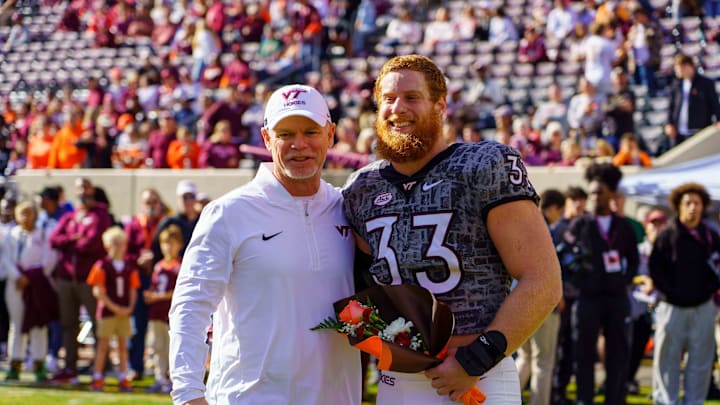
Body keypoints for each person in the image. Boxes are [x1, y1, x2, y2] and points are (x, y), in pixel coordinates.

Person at [342, 54, 562, 404]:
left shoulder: (484, 164)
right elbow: (359, 287)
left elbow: (543, 280)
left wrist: (476, 359)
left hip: (479, 375)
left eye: (411, 97)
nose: (398, 108)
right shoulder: (361, 188)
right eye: (388, 99)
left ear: (440, 105)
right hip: (398, 379)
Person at [169, 84, 361, 404]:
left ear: (330, 134)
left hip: (337, 396)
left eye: (310, 131)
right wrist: (188, 393)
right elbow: (191, 307)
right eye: (285, 133)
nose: (299, 145)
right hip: (249, 397)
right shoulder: (228, 212)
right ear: (267, 138)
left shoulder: (348, 208)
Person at [562, 163, 639, 405]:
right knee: (583, 353)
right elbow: (564, 257)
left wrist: (623, 282)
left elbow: (634, 260)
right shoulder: (580, 224)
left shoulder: (624, 226)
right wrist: (581, 281)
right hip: (587, 298)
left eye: (599, 192)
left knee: (617, 353)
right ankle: (585, 400)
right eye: (592, 192)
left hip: (616, 299)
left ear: (611, 194)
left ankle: (614, 399)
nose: (594, 197)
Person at [648, 182, 720, 405]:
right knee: (666, 361)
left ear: (703, 206)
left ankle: (694, 401)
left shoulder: (710, 236)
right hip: (672, 308)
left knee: (700, 362)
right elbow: (655, 269)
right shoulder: (667, 235)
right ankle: (666, 401)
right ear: (678, 206)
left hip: (702, 307)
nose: (692, 207)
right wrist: (670, 293)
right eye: (688, 203)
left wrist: (707, 292)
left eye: (697, 203)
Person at [49, 178, 113, 384]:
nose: (82, 192)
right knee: (69, 325)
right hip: (67, 278)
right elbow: (54, 240)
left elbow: (92, 244)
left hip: (89, 280)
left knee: (97, 323)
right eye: (79, 189)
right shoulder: (70, 216)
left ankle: (101, 367)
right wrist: (73, 239)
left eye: (86, 188)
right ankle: (70, 367)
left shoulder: (100, 215)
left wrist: (70, 242)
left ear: (92, 190)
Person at [516, 189, 565, 405]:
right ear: (554, 208)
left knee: (525, 357)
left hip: (516, 302)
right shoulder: (545, 230)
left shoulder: (520, 224)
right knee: (543, 361)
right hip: (540, 302)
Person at [4, 201, 58, 382]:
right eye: (22, 214)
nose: (26, 217)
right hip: (17, 285)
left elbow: (48, 259)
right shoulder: (12, 235)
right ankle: (15, 364)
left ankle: (39, 365)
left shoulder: (43, 235)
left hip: (37, 285)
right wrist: (17, 276)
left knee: (38, 325)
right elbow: (6, 260)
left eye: (29, 213)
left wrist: (31, 277)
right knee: (17, 325)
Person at [86, 227, 140, 392]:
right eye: (115, 243)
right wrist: (114, 307)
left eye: (122, 243)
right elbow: (97, 291)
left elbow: (133, 288)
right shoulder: (102, 265)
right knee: (103, 345)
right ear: (107, 245)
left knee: (123, 346)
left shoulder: (129, 266)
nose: (119, 247)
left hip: (123, 311)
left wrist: (130, 307)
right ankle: (97, 377)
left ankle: (123, 377)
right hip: (108, 312)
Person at [626, 208, 666, 395]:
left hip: (662, 306)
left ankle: (659, 389)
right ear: (646, 226)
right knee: (635, 347)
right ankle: (627, 380)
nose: (656, 228)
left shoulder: (668, 250)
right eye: (653, 223)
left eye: (660, 224)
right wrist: (643, 279)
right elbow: (630, 274)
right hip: (639, 307)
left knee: (664, 351)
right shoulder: (638, 250)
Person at [144, 224, 182, 394]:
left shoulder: (179, 266)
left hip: (170, 314)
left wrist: (159, 296)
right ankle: (160, 377)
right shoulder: (159, 266)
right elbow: (155, 286)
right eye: (165, 243)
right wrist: (151, 294)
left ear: (179, 244)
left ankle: (172, 378)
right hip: (157, 313)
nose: (168, 247)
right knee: (157, 346)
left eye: (172, 243)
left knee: (171, 347)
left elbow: (178, 291)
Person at [667, 53, 720, 143]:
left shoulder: (705, 84)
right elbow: (671, 107)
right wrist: (669, 123)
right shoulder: (676, 85)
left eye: (679, 69)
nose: (677, 72)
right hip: (679, 134)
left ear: (687, 66)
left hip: (699, 132)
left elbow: (714, 104)